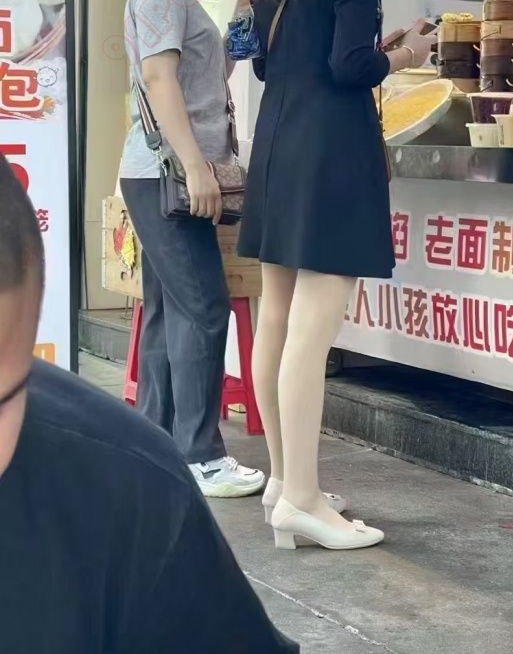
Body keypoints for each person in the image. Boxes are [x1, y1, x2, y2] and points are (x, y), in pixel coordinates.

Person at [0, 155, 299, 653]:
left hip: (174, 183)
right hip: (173, 180)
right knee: (193, 308)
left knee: (181, 309)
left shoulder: (129, 488)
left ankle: (192, 442)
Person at [238, 0, 435, 550]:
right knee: (312, 330)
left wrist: (369, 49)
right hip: (329, 150)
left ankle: (285, 483)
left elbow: (264, 61)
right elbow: (349, 66)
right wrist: (405, 55)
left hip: (277, 140)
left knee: (277, 318)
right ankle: (303, 499)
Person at [118, 0, 264, 498]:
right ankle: (202, 456)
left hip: (156, 173)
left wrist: (244, 12)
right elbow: (159, 79)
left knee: (168, 311)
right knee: (204, 308)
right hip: (168, 176)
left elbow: (210, 70)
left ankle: (153, 447)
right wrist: (197, 165)